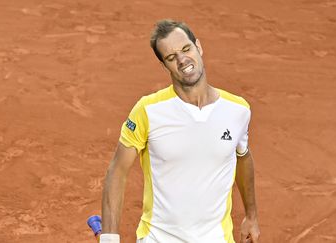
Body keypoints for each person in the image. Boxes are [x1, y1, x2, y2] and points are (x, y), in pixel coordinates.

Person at [99, 19, 260, 243]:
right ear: (164, 66)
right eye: (171, 57)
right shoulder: (148, 110)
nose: (183, 60)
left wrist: (251, 216)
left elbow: (243, 156)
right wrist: (109, 238)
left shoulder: (237, 110)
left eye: (186, 49)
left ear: (199, 47)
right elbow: (117, 170)